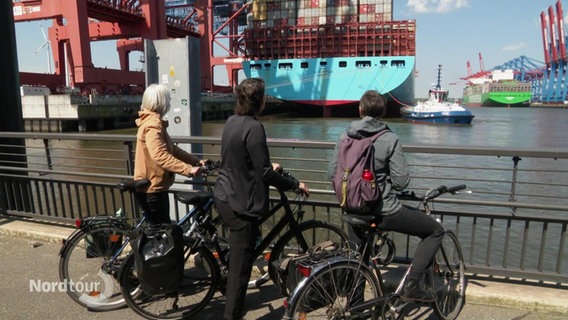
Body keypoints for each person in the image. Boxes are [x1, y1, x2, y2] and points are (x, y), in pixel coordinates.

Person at [327, 90, 444, 303]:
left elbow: (330, 173)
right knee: (435, 231)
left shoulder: (345, 136)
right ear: (383, 112)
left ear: (360, 110)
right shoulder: (389, 138)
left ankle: (356, 308)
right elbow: (401, 182)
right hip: (384, 212)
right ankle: (413, 284)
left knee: (358, 260)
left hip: (352, 209)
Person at [214, 78, 309, 320]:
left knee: (240, 260)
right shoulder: (254, 127)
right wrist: (294, 184)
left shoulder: (232, 121)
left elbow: (242, 159)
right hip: (241, 203)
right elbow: (265, 173)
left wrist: (266, 165)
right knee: (240, 270)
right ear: (260, 100)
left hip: (225, 194)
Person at [134, 83, 207, 225]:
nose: (169, 102)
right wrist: (188, 169)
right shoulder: (153, 124)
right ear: (161, 102)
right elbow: (160, 155)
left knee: (160, 233)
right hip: (152, 188)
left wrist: (194, 161)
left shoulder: (151, 121)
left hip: (152, 186)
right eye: (168, 99)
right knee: (165, 238)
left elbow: (172, 149)